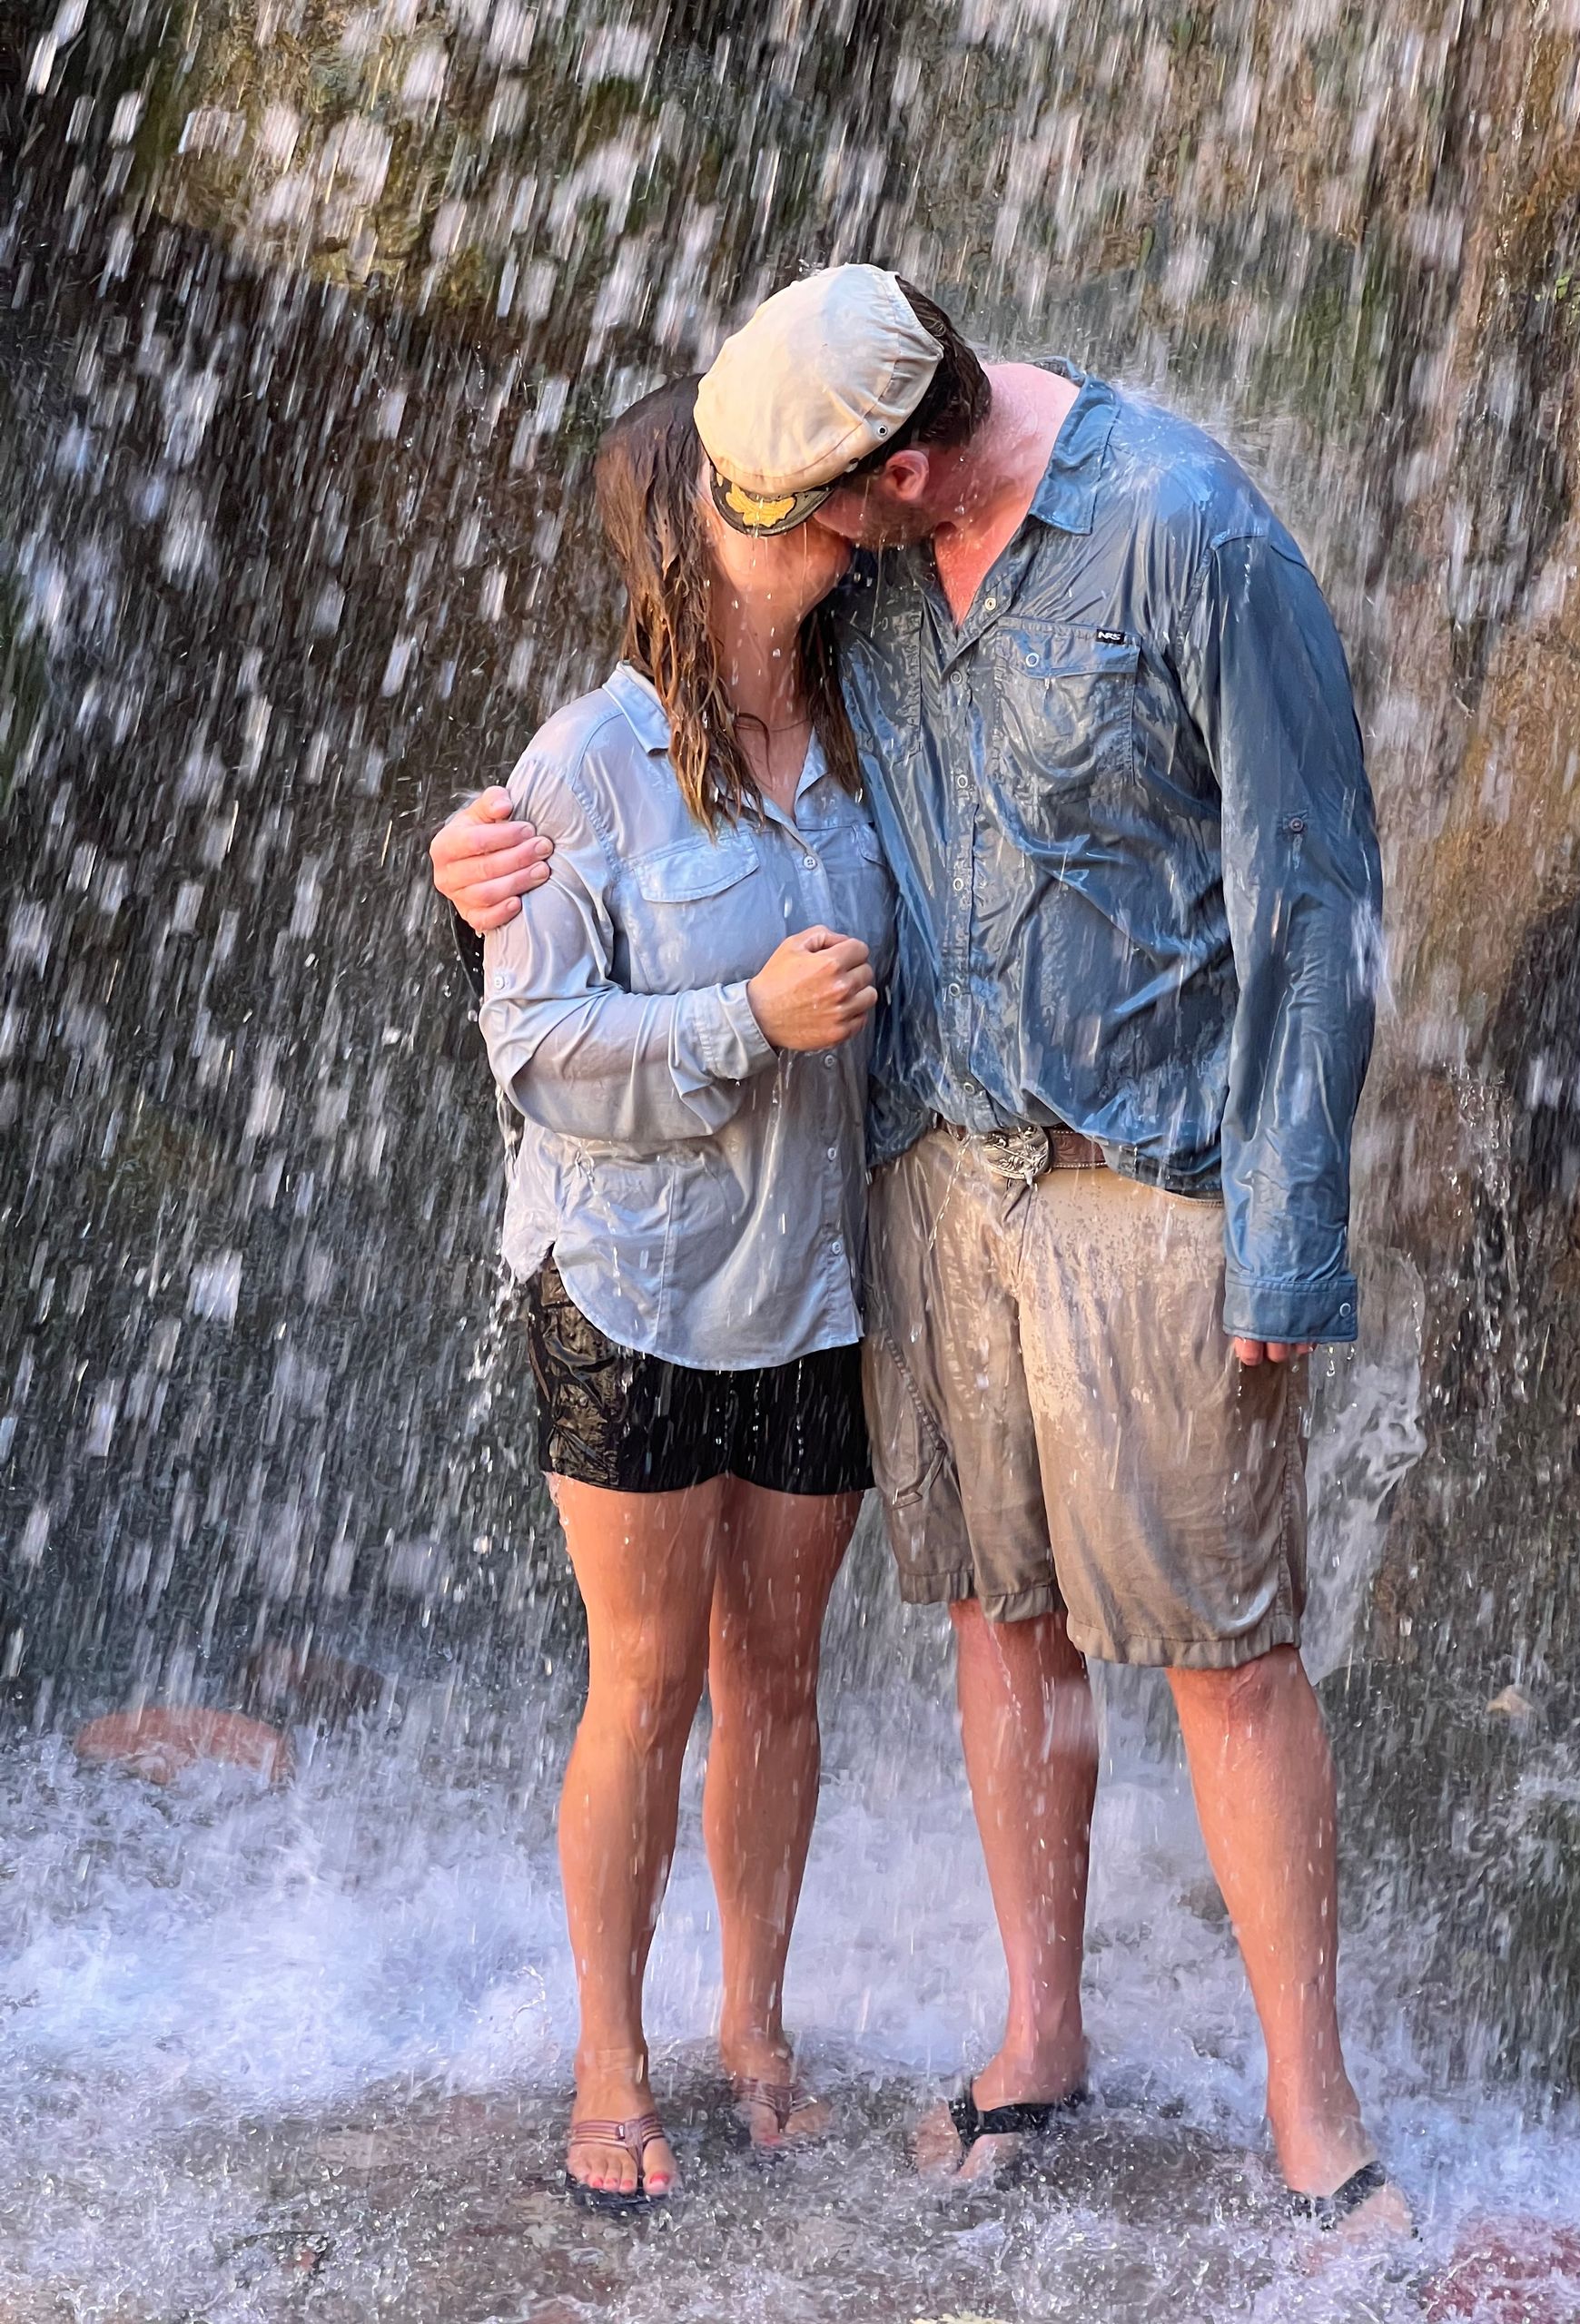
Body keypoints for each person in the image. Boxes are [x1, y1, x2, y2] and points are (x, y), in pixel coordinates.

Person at [435, 270, 1406, 2236]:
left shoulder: (1186, 536)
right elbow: (659, 618)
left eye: (814, 515)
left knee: (1227, 1646)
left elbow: (1311, 890)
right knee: (997, 1618)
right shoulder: (857, 563)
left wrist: (1286, 1232)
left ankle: (1317, 2105)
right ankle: (1040, 2033)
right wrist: (458, 879)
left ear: (901, 464)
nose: (785, 549)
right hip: (930, 1185)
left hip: (1145, 1179)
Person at [466, 375, 895, 2209]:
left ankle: (755, 2024)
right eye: (779, 485)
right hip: (632, 1287)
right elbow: (537, 1044)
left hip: (812, 1285)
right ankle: (610, 2055)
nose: (829, 505)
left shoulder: (880, 728)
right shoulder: (586, 762)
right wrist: (748, 1019)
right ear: (692, 525)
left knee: (779, 1675)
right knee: (644, 1682)